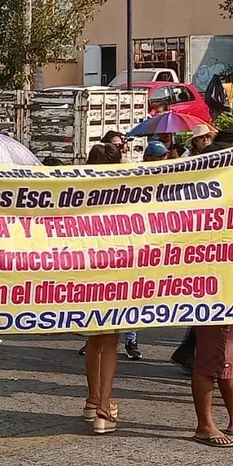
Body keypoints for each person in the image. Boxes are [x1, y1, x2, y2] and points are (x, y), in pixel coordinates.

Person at [80, 142, 125, 432]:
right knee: (110, 341)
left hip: (86, 272)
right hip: (114, 270)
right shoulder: (122, 193)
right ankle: (103, 408)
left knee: (93, 339)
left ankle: (92, 399)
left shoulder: (79, 191)